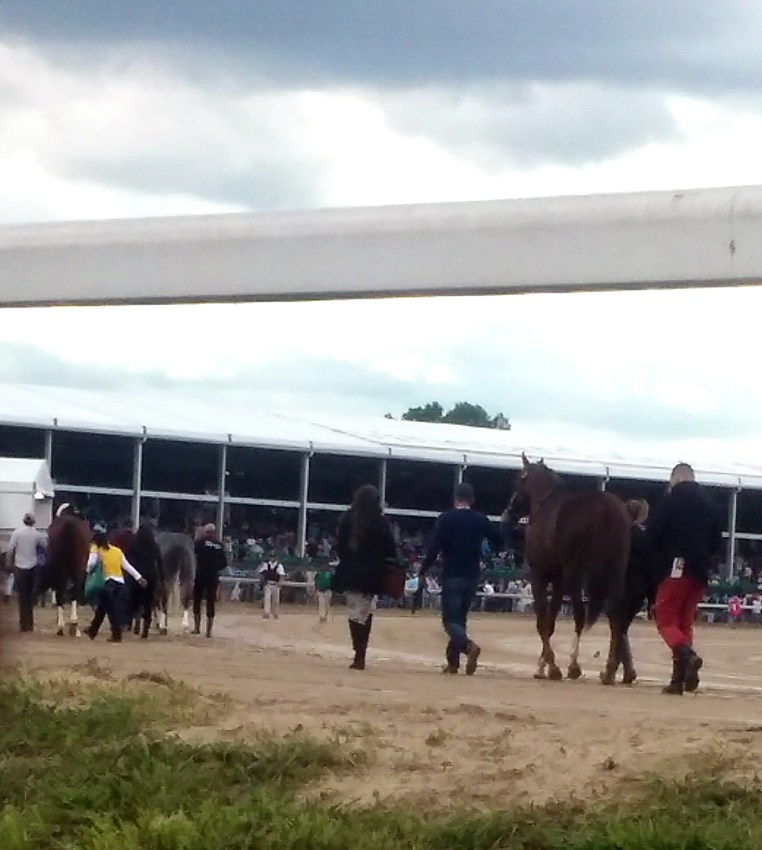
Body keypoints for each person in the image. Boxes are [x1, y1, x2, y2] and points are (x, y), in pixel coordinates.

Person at [647, 463, 723, 694]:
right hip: (700, 571)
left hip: (676, 567)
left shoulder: (670, 502)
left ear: (676, 479)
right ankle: (680, 679)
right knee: (684, 622)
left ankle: (686, 655)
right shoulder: (710, 505)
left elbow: (653, 536)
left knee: (666, 620)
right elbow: (717, 543)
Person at [418, 482, 504, 675]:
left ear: (455, 498)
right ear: (472, 500)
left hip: (452, 574)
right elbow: (499, 541)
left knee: (450, 622)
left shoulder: (446, 519)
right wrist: (486, 552)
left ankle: (468, 647)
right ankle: (453, 663)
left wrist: (423, 570)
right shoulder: (480, 519)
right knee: (460, 620)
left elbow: (434, 548)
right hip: (472, 575)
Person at [332, 484, 397, 670]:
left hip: (350, 571)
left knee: (355, 612)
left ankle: (358, 651)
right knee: (365, 611)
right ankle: (361, 652)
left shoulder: (347, 519)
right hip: (373, 574)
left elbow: (340, 547)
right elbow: (390, 549)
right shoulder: (381, 522)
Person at [84, 523, 146, 642]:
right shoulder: (117, 551)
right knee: (102, 608)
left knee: (111, 611)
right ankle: (92, 630)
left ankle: (116, 634)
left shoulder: (96, 549)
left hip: (107, 583)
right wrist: (139, 577)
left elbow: (91, 563)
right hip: (120, 583)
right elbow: (127, 566)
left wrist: (88, 571)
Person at [6, 512, 47, 632]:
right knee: (30, 596)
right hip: (32, 567)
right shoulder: (37, 534)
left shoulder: (16, 533)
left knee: (22, 597)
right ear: (33, 522)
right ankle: (30, 624)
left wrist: (9, 563)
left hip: (19, 567)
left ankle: (23, 624)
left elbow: (10, 549)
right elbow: (46, 547)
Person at [126, 523, 164, 639]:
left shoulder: (133, 545)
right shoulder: (155, 546)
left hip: (137, 575)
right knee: (148, 603)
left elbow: (127, 560)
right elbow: (160, 563)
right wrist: (162, 578)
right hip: (151, 576)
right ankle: (145, 630)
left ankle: (136, 620)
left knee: (135, 600)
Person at [193, 523, 227, 637]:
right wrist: (215, 568)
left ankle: (197, 627)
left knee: (197, 600)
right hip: (213, 576)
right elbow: (224, 563)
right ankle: (208, 631)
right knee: (211, 602)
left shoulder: (200, 543)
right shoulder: (219, 545)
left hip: (201, 574)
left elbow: (193, 555)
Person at [258, 553, 286, 619]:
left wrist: (280, 583)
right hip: (268, 584)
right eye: (271, 556)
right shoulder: (266, 564)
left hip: (276, 584)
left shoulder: (279, 565)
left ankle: (275, 613)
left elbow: (282, 575)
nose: (272, 558)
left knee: (276, 600)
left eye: (273, 556)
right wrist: (263, 581)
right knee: (267, 599)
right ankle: (266, 613)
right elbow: (260, 573)